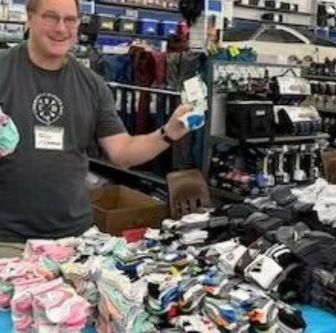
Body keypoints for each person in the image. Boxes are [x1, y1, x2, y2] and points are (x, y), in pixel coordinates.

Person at [0, 0, 192, 256]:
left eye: (70, 20)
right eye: (50, 17)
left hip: (75, 239)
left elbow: (122, 152)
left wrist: (168, 133)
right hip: (7, 242)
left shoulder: (92, 85)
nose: (61, 28)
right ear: (30, 17)